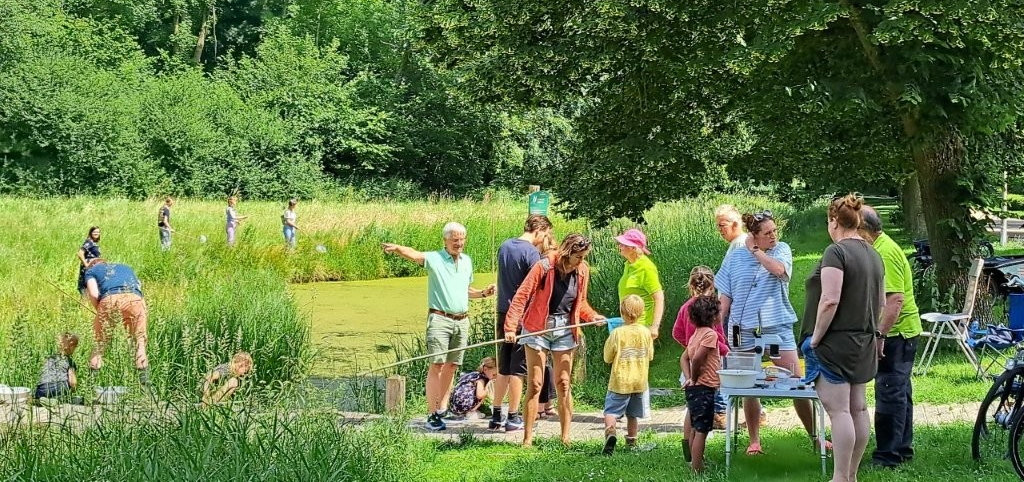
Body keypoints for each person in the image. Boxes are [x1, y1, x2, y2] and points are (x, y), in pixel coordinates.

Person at [715, 208, 818, 455]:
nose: (773, 236)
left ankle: (815, 436)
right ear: (754, 234)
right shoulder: (735, 257)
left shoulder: (781, 249)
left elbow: (780, 272)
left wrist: (757, 251)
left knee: (795, 381)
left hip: (776, 325)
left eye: (775, 231)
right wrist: (717, 324)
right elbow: (725, 293)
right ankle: (754, 441)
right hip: (741, 327)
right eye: (767, 233)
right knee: (747, 382)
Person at [801, 194, 884, 482]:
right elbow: (881, 302)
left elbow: (830, 300)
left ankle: (839, 477)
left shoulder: (836, 253)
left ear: (834, 221)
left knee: (839, 412)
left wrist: (816, 338)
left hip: (836, 343)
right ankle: (851, 475)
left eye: (828, 221)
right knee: (858, 408)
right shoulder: (874, 254)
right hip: (864, 341)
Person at [382, 223, 496, 431]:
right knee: (437, 365)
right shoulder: (435, 258)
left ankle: (444, 409)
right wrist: (398, 248)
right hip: (440, 319)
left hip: (462, 320)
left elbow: (465, 290)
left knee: (452, 366)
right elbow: (415, 255)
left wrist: (483, 293)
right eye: (454, 240)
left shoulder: (467, 261)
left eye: (461, 239)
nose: (459, 243)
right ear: (445, 240)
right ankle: (432, 413)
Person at [504, 233, 607, 447]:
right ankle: (527, 439)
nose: (582, 261)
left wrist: (593, 316)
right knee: (535, 383)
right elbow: (522, 296)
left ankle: (565, 437)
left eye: (584, 257)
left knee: (563, 383)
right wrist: (511, 327)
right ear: (568, 252)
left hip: (565, 329)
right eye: (578, 257)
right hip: (538, 327)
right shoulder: (544, 267)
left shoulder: (582, 271)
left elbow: (581, 303)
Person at [860, 205, 921, 468]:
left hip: (898, 334)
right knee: (899, 393)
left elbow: (895, 300)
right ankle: (902, 449)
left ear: (864, 229)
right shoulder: (881, 247)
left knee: (889, 393)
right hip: (902, 333)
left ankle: (887, 457)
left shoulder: (884, 252)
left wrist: (879, 335)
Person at [491, 214, 553, 432]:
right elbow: (538, 287)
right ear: (539, 231)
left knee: (503, 366)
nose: (545, 239)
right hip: (520, 315)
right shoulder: (532, 253)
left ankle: (496, 414)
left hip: (502, 311)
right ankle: (514, 416)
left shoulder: (504, 246)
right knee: (518, 368)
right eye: (546, 235)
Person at [672, 266, 729, 430]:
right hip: (709, 366)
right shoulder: (712, 308)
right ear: (712, 285)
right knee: (707, 402)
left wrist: (691, 346)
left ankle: (688, 444)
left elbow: (677, 332)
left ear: (691, 285)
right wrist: (726, 352)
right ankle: (712, 424)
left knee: (692, 406)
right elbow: (718, 338)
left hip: (690, 363)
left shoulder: (686, 307)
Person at [83, 258, 150, 384]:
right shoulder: (126, 267)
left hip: (109, 299)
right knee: (139, 343)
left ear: (91, 265)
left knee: (100, 344)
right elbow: (139, 288)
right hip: (136, 300)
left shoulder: (91, 271)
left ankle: (91, 388)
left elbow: (93, 294)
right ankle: (146, 391)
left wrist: (100, 310)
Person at [602, 294, 654, 455]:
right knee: (633, 414)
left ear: (622, 312)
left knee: (611, 411)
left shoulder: (617, 333)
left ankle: (610, 433)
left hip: (620, 381)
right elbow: (650, 355)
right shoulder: (645, 332)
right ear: (641, 313)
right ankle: (632, 441)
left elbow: (607, 357)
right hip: (639, 381)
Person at [681, 296, 723, 472]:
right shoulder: (710, 334)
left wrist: (689, 377)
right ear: (713, 316)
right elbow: (697, 358)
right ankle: (698, 469)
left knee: (694, 427)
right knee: (702, 431)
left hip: (694, 388)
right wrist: (695, 377)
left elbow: (684, 358)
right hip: (704, 388)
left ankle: (693, 463)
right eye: (720, 312)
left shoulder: (695, 335)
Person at [615, 228, 665, 339]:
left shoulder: (646, 268)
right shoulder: (629, 265)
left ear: (633, 248)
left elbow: (659, 298)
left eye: (623, 244)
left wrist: (654, 326)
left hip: (642, 328)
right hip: (629, 326)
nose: (620, 247)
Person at [34, 333, 79, 400]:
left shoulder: (50, 358)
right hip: (58, 388)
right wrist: (72, 393)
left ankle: (42, 399)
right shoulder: (69, 361)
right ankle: (58, 398)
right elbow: (73, 382)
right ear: (72, 347)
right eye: (75, 347)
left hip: (41, 389)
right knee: (64, 385)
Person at [77, 226, 101, 295]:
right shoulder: (89, 242)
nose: (96, 233)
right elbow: (80, 253)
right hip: (88, 267)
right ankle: (84, 303)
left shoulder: (93, 243)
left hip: (94, 267)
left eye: (98, 232)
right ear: (91, 233)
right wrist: (86, 264)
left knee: (91, 285)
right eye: (94, 232)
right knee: (86, 285)